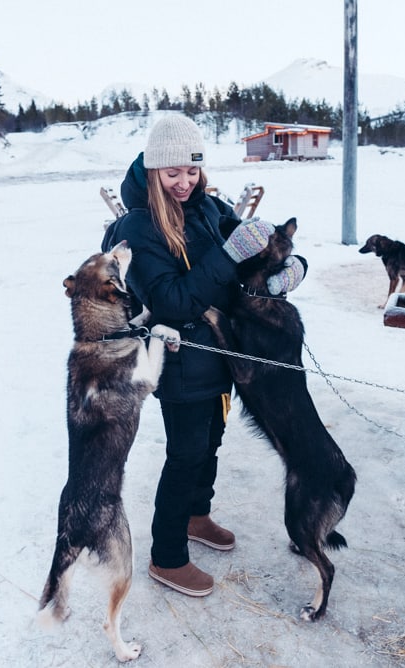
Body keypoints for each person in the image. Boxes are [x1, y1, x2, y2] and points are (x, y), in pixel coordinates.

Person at [101, 114, 305, 597]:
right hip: (179, 357)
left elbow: (254, 251)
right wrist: (229, 256)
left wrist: (289, 267)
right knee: (184, 454)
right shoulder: (137, 228)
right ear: (153, 171)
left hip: (222, 355)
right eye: (172, 172)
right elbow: (175, 301)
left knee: (209, 445)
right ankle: (167, 556)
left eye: (192, 171)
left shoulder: (208, 210)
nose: (184, 181)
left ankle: (197, 515)